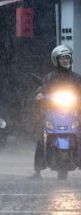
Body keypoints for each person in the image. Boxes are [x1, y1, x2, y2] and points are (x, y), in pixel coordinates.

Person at [29, 45, 81, 179]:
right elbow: (42, 88)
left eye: (67, 58)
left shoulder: (76, 78)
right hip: (53, 112)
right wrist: (40, 94)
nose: (65, 60)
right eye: (62, 58)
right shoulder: (50, 77)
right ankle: (38, 170)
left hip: (73, 112)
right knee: (42, 136)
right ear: (56, 60)